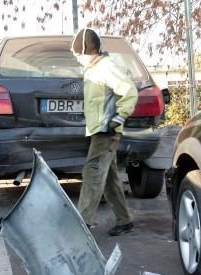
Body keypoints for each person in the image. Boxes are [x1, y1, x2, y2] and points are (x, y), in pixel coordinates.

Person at [71, 28, 138, 236]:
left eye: (78, 55)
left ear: (86, 51)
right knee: (108, 178)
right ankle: (124, 220)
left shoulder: (106, 67)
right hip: (99, 130)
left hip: (106, 131)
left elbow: (129, 91)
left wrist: (118, 118)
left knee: (92, 173)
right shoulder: (93, 69)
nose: (78, 59)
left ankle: (83, 224)